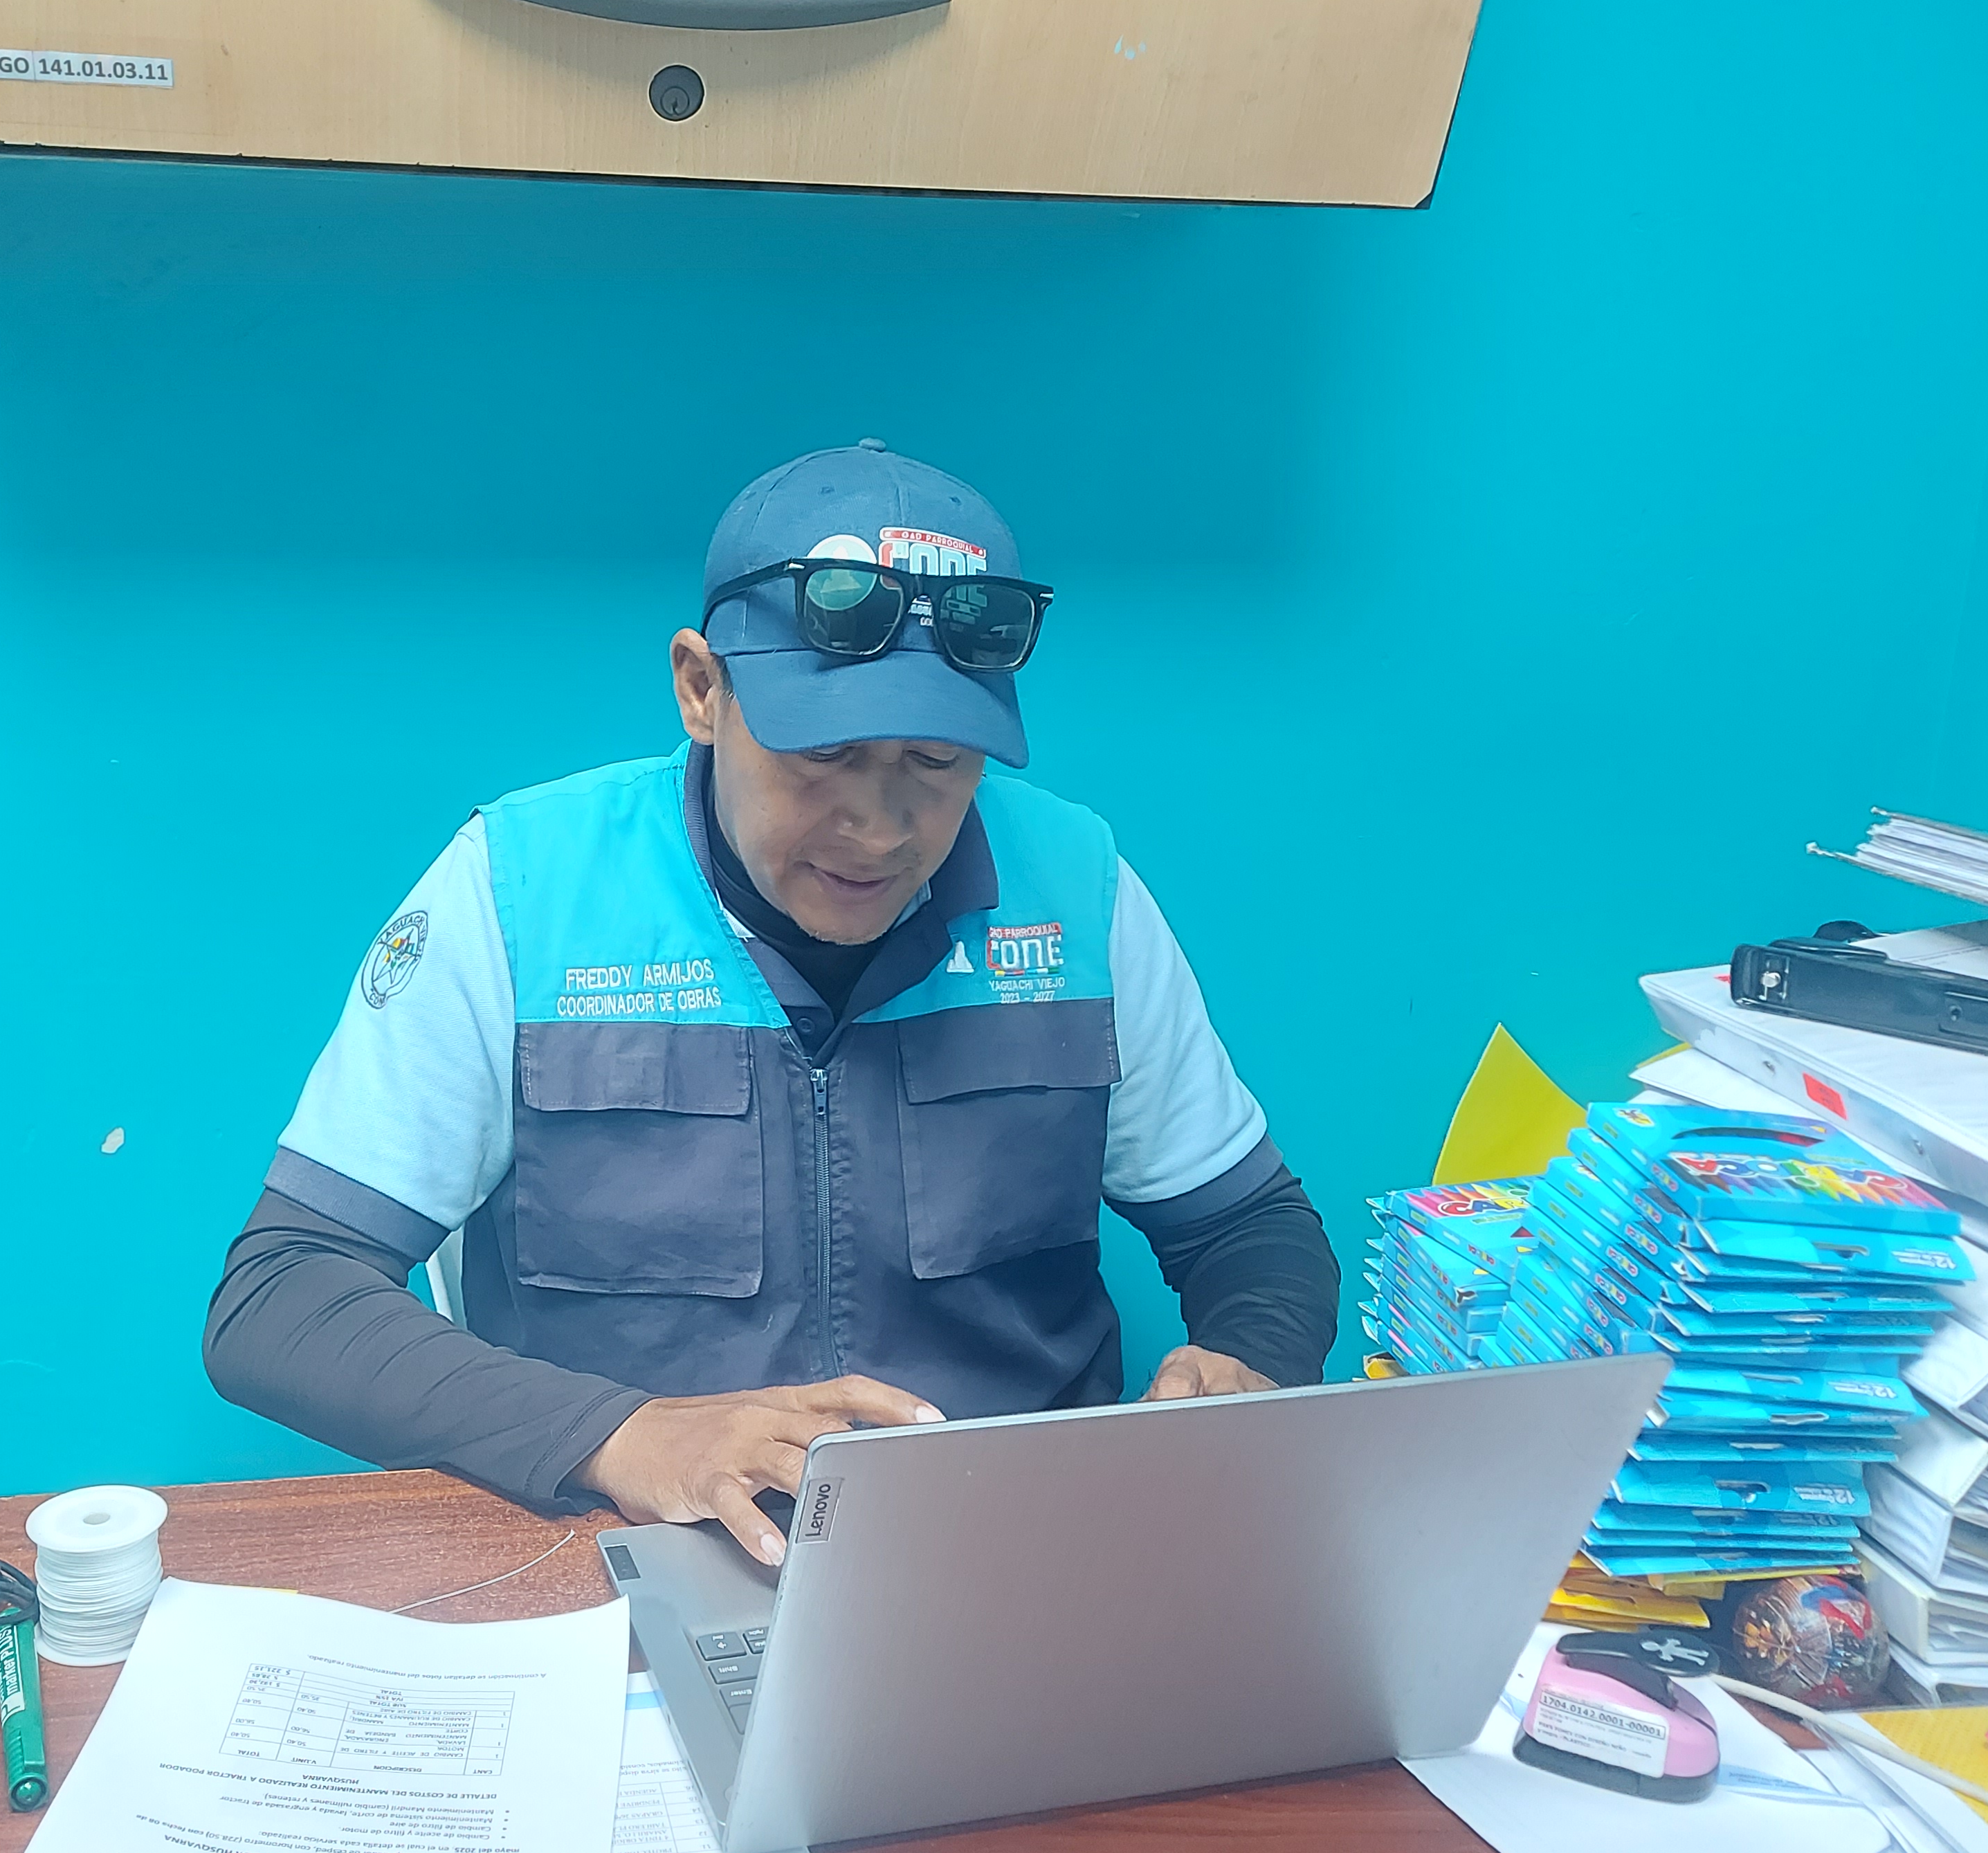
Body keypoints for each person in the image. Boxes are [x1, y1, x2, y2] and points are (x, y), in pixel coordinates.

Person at [207, 443, 1340, 1564]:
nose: (882, 829)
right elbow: (281, 1299)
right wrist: (620, 1434)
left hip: (1018, 1556)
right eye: (827, 754)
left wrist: (1249, 1365)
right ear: (703, 689)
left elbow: (1252, 1230)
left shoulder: (1078, 890)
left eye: (936, 762)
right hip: (622, 1554)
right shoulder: (520, 891)